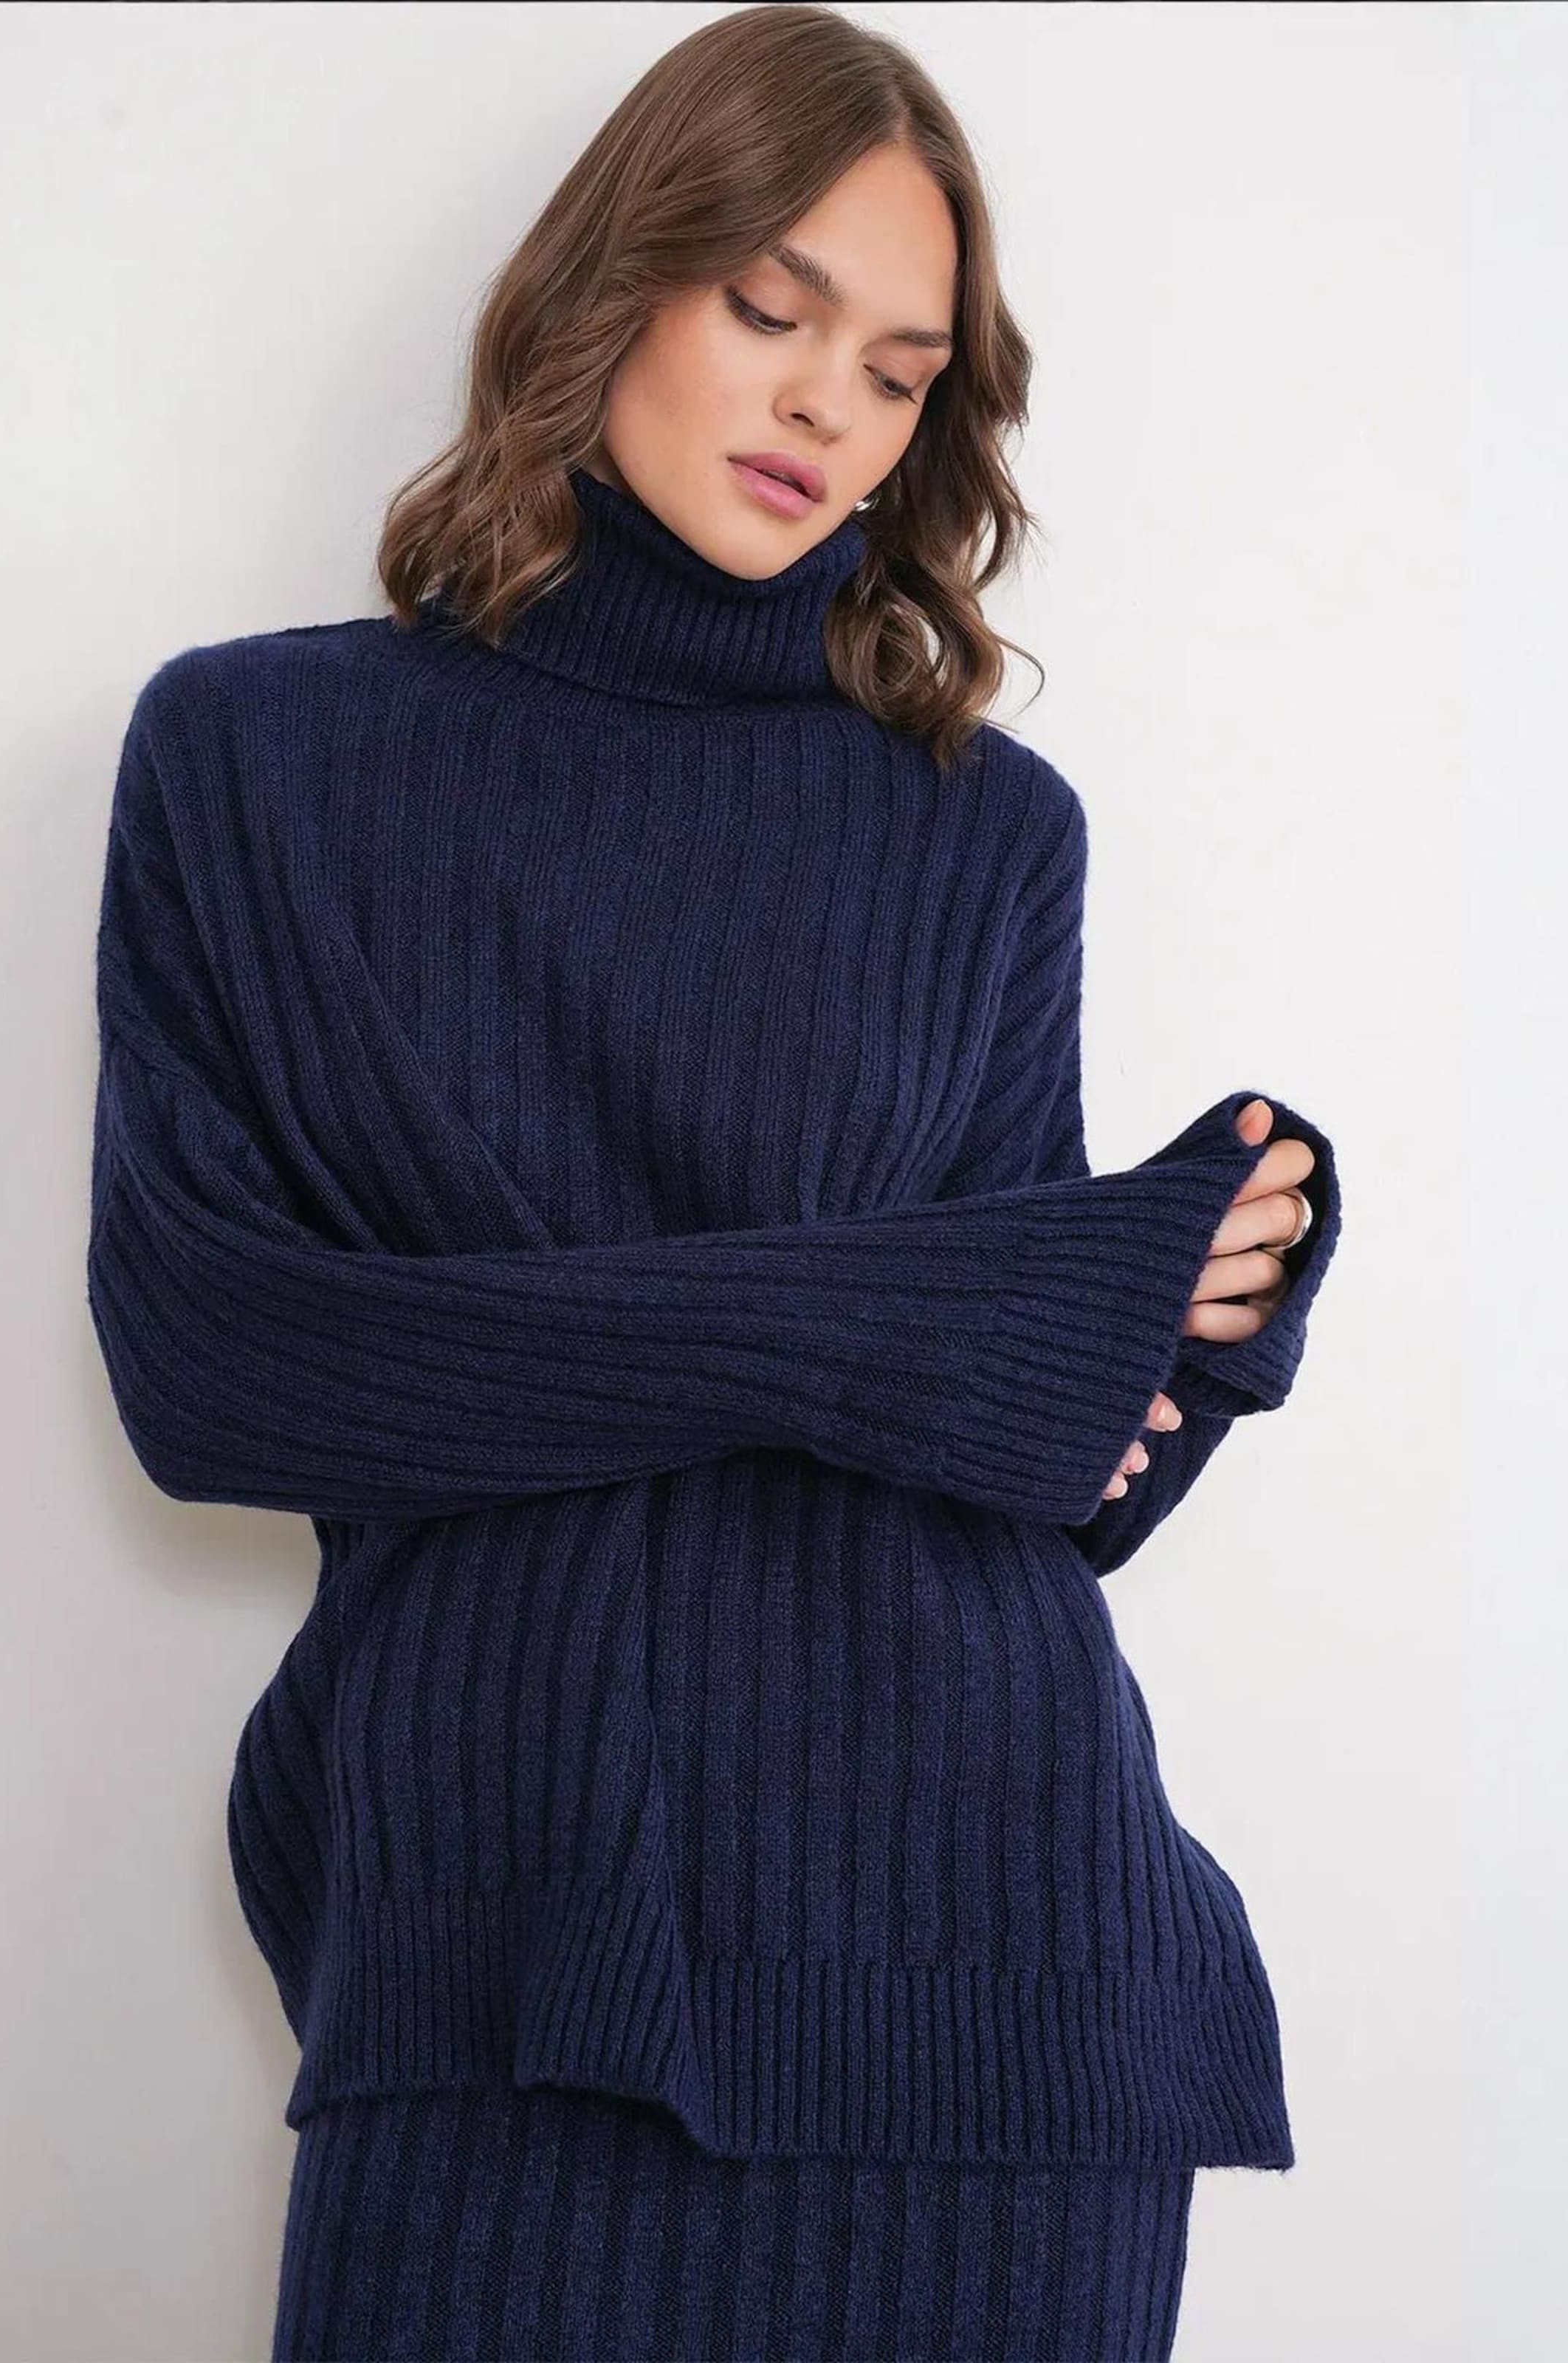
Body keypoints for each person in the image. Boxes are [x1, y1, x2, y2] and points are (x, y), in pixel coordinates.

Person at [86, 7, 1341, 2358]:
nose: (823, 408)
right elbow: (220, 1374)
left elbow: (1020, 1469)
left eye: (896, 372)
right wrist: (950, 1316)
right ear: (613, 284)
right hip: (501, 1922)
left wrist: (1167, 1328)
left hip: (995, 1957)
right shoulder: (259, 762)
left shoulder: (982, 832)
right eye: (772, 309)